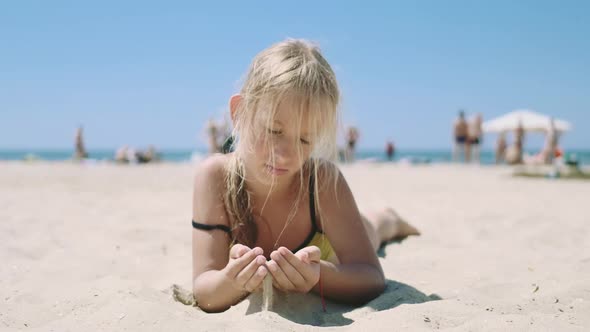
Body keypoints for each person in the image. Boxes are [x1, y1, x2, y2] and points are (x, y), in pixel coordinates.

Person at [191, 39, 419, 313]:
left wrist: (318, 277)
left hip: (327, 247)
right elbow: (204, 288)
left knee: (374, 227)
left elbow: (370, 277)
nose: (286, 154)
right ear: (239, 112)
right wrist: (231, 281)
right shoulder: (215, 175)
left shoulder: (321, 181)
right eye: (274, 131)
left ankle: (389, 218)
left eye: (305, 140)